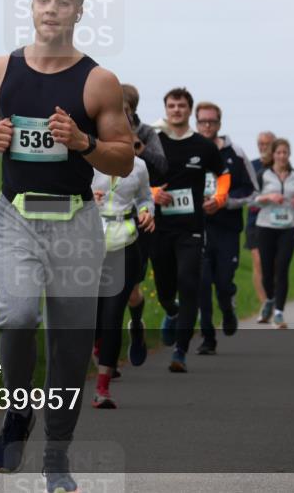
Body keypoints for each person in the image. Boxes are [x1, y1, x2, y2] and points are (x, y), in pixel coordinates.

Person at [0, 0, 133, 492]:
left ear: (79, 11)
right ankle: (18, 412)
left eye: (62, 2)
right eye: (43, 0)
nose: (51, 10)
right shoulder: (1, 68)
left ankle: (56, 458)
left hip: (76, 223)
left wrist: (83, 143)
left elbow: (124, 160)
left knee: (68, 345)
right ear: (32, 5)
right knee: (15, 317)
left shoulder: (98, 80)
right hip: (15, 216)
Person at [151, 87, 227, 372]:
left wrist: (219, 199)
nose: (176, 110)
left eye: (182, 106)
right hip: (159, 227)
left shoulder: (204, 147)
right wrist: (154, 191)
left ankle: (180, 352)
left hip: (191, 229)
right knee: (165, 290)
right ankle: (171, 311)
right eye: (172, 106)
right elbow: (135, 176)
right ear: (166, 109)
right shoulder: (153, 143)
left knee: (189, 282)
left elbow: (224, 175)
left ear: (189, 110)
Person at [90, 127, 155, 408]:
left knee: (113, 314)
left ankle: (103, 389)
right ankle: (96, 345)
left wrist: (146, 212)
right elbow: (66, 195)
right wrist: (85, 198)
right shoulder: (87, 160)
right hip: (89, 244)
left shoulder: (139, 167)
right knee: (93, 313)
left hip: (125, 242)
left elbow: (145, 198)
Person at [195, 101, 258, 354]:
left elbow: (252, 190)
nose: (207, 125)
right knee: (202, 283)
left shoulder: (235, 153)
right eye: (202, 121)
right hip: (197, 229)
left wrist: (225, 202)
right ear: (196, 123)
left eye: (212, 121)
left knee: (222, 282)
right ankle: (208, 338)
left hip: (227, 229)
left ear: (219, 124)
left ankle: (228, 307)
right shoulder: (190, 151)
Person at [120, 84, 168, 366]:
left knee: (131, 288)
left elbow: (161, 167)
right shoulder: (98, 130)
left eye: (122, 110)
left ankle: (136, 324)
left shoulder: (147, 133)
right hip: (101, 220)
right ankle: (105, 357)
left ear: (132, 112)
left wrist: (140, 148)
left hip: (137, 219)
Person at [253, 138, 294, 329]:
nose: (282, 156)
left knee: (282, 269)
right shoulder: (263, 174)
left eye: (285, 152)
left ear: (289, 154)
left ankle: (279, 313)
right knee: (267, 272)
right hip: (266, 226)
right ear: (273, 154)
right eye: (279, 152)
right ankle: (269, 301)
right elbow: (253, 199)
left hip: (288, 228)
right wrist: (269, 197)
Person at [247, 131, 276, 323]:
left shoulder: (281, 166)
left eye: (266, 143)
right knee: (258, 262)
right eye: (260, 143)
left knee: (272, 265)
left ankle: (274, 300)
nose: (263, 147)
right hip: (255, 221)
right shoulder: (251, 166)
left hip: (277, 223)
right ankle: (265, 304)